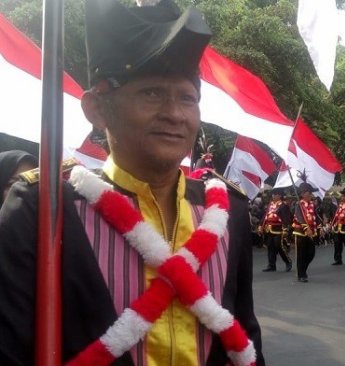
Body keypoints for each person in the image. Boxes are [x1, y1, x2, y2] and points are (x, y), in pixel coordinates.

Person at [0, 1, 265, 365]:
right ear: (96, 108)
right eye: (152, 93)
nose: (174, 114)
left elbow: (245, 333)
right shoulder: (42, 207)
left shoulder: (227, 210)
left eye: (187, 98)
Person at [260, 188, 292, 272]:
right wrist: (261, 225)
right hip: (269, 228)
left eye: (275, 194)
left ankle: (288, 261)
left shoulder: (283, 206)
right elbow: (265, 216)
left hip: (278, 229)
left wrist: (285, 229)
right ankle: (271, 265)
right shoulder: (270, 205)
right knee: (270, 247)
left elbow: (286, 219)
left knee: (279, 246)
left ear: (280, 195)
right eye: (273, 194)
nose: (273, 196)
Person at [292, 182, 319, 282]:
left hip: (311, 232)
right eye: (309, 192)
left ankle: (303, 269)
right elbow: (299, 217)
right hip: (300, 232)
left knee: (311, 253)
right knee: (301, 254)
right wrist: (305, 228)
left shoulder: (312, 205)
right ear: (303, 194)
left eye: (311, 192)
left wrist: (320, 226)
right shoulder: (298, 205)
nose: (311, 194)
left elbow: (315, 217)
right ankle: (301, 274)